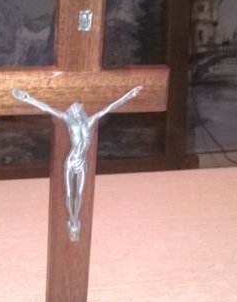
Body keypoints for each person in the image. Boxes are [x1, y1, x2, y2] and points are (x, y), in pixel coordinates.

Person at [12, 86, 142, 241]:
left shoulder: (89, 121)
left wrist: (129, 95)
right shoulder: (69, 120)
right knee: (69, 194)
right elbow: (48, 108)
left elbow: (109, 107)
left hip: (82, 162)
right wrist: (27, 98)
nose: (77, 106)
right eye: (74, 106)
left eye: (78, 106)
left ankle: (75, 219)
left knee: (79, 194)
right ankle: (73, 220)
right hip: (71, 161)